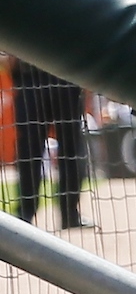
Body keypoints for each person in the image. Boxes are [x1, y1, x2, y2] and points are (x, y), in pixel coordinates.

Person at [8, 53, 89, 230]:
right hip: (33, 73)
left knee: (71, 147)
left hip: (66, 74)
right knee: (29, 148)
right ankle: (25, 214)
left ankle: (69, 214)